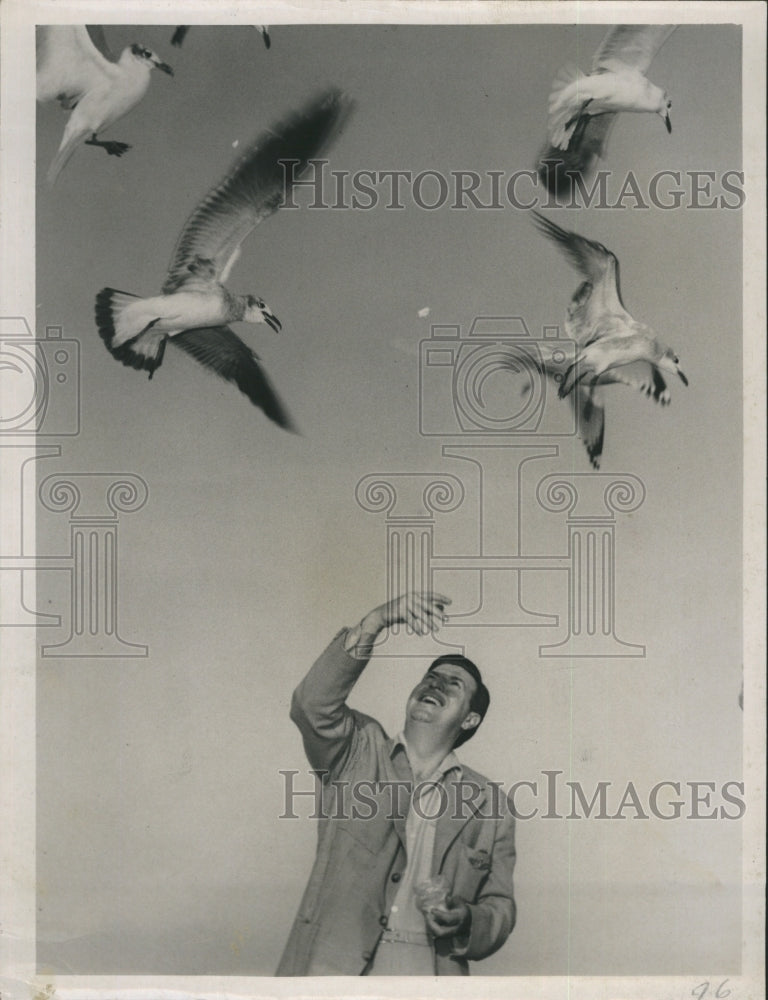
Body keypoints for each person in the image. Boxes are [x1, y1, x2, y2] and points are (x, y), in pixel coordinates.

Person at [276, 592, 516, 976]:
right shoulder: (358, 749)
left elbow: (500, 907)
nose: (436, 685)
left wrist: (466, 919)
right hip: (333, 972)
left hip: (431, 974)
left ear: (469, 720)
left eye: (453, 685)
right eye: (431, 678)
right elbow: (311, 706)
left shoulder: (491, 805)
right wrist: (375, 622)